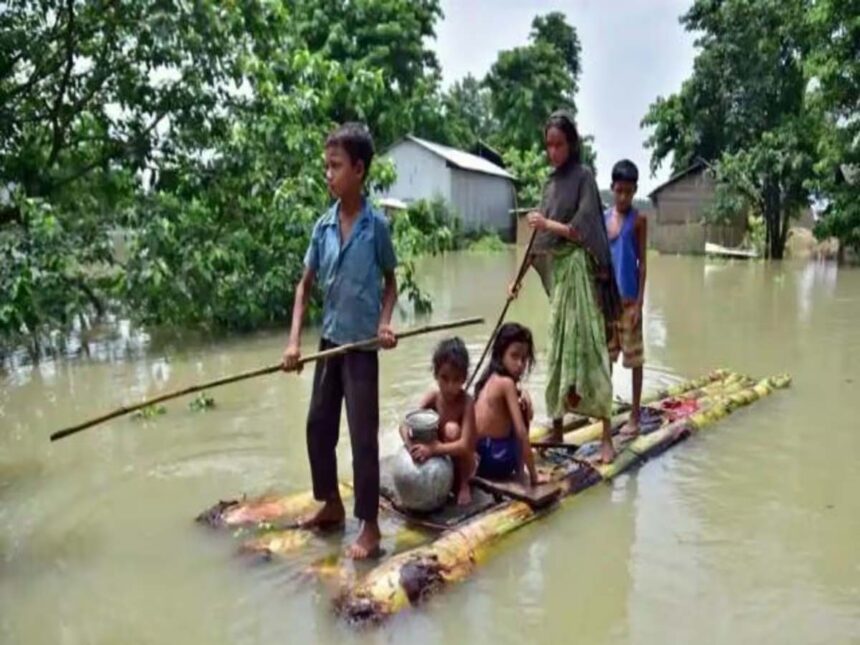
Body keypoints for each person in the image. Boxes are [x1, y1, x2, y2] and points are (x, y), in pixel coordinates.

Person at [281, 122, 397, 560]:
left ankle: (370, 526)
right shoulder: (323, 227)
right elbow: (303, 287)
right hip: (329, 345)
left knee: (363, 438)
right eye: (326, 166)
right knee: (317, 426)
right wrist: (294, 344)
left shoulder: (376, 228)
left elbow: (391, 283)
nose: (328, 174)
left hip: (363, 349)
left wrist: (385, 324)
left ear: (360, 170)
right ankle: (330, 503)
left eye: (336, 166)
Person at [511, 111, 622, 464]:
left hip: (580, 275)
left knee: (590, 349)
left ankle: (606, 434)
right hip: (560, 279)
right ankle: (558, 425)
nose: (552, 151)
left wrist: (547, 223)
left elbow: (581, 229)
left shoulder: (584, 178)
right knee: (557, 348)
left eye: (559, 144)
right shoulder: (549, 184)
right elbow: (538, 241)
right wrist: (517, 279)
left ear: (571, 144)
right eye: (548, 145)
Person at [399, 337, 477, 505]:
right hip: (441, 459)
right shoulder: (433, 397)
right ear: (435, 374)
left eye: (456, 380)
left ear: (464, 379)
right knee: (421, 429)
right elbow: (405, 424)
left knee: (452, 429)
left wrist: (434, 449)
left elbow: (466, 445)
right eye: (444, 378)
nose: (450, 386)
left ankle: (464, 485)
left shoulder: (467, 402)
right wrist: (411, 446)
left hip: (464, 463)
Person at [473, 323, 547, 486]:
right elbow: (521, 432)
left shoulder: (490, 378)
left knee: (522, 405)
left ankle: (521, 468)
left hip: (479, 457)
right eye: (514, 356)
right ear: (501, 354)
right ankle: (522, 471)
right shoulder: (506, 384)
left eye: (524, 358)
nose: (520, 364)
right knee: (522, 410)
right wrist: (534, 476)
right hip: (494, 461)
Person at [605, 159, 647, 436]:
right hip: (607, 303)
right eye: (619, 191)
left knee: (634, 361)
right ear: (612, 189)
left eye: (629, 192)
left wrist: (640, 304)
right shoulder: (603, 219)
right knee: (605, 362)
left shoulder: (639, 220)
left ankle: (634, 415)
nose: (623, 197)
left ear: (634, 191)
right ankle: (604, 416)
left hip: (629, 303)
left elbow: (642, 264)